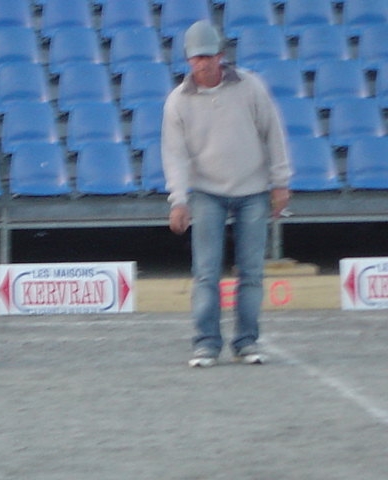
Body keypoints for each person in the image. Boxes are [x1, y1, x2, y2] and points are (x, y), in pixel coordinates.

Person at [161, 20, 292, 368]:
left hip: (253, 190)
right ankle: (206, 343)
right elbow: (174, 155)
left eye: (208, 56)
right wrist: (178, 199)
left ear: (220, 55)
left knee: (251, 271)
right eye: (196, 58)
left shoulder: (251, 87)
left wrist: (280, 181)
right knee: (206, 272)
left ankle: (247, 341)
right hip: (207, 192)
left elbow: (273, 133)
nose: (202, 64)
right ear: (188, 60)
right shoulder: (177, 102)